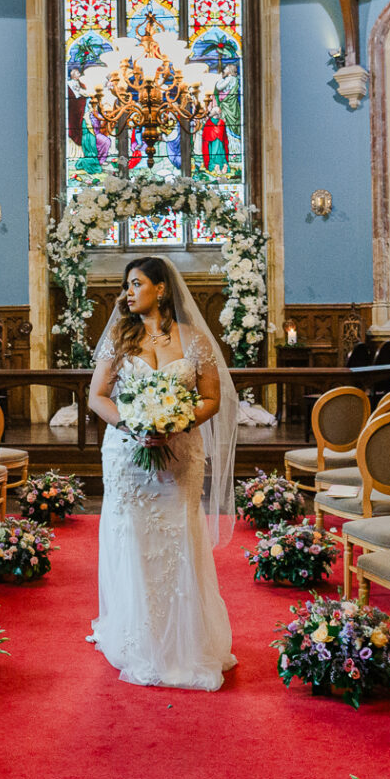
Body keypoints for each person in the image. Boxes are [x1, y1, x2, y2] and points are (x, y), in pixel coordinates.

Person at [84, 256, 238, 690]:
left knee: (178, 537)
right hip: (126, 454)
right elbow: (97, 396)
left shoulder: (195, 341)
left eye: (136, 284)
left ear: (161, 289)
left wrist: (178, 421)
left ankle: (185, 642)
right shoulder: (119, 337)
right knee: (132, 538)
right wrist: (132, 423)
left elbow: (212, 397)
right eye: (126, 285)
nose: (127, 293)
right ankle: (139, 637)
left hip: (179, 454)